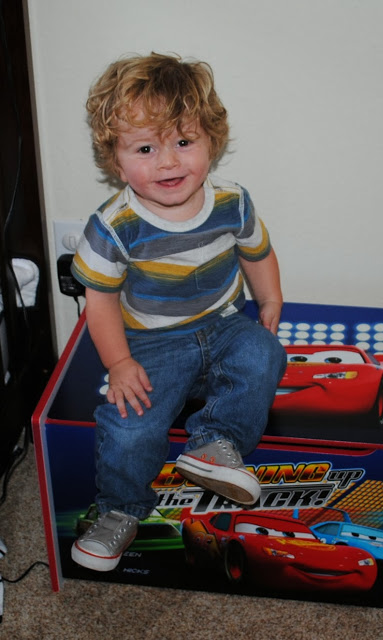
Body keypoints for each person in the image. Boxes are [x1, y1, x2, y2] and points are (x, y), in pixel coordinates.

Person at [69, 52, 287, 572]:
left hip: (223, 324)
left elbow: (257, 251)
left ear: (212, 140)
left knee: (264, 354)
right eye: (146, 148)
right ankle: (120, 509)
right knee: (129, 426)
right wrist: (120, 363)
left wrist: (270, 299)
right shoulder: (114, 225)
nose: (168, 162)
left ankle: (215, 443)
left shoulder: (232, 201)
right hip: (152, 344)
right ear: (115, 159)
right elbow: (99, 301)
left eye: (184, 142)